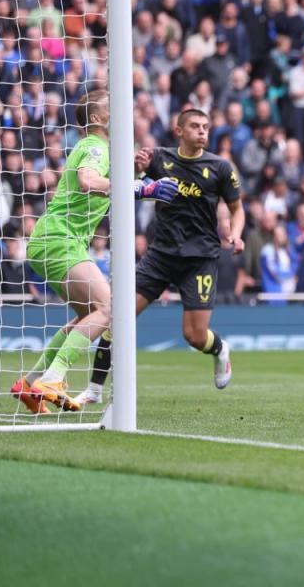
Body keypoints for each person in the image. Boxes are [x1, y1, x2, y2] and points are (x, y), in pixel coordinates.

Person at [12, 91, 178, 414]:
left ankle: (31, 384)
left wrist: (136, 175)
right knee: (109, 309)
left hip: (53, 241)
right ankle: (53, 377)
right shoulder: (94, 147)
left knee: (87, 316)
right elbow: (88, 181)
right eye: (110, 106)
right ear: (98, 119)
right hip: (59, 240)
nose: (120, 112)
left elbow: (108, 185)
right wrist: (143, 188)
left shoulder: (101, 151)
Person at [76, 107, 247, 406]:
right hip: (161, 254)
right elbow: (128, 183)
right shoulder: (159, 158)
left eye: (206, 127)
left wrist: (237, 232)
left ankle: (220, 350)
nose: (203, 132)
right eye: (195, 126)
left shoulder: (220, 168)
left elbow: (237, 208)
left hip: (200, 257)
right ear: (179, 131)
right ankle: (94, 389)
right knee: (117, 317)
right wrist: (136, 168)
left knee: (194, 336)